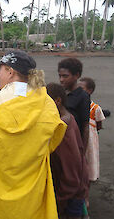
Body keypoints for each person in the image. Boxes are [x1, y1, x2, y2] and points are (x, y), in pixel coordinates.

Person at [0, 51, 67, 219]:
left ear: (10, 72)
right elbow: (54, 139)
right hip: (32, 187)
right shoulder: (47, 103)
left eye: (1, 70)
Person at [47, 83, 89, 219]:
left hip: (70, 195)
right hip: (72, 191)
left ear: (57, 101)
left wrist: (59, 200)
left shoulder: (63, 128)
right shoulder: (68, 118)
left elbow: (71, 173)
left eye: (45, 102)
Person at [58, 58, 90, 152]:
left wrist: (82, 152)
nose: (61, 80)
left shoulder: (83, 96)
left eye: (65, 76)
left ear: (77, 75)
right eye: (60, 76)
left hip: (74, 143)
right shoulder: (60, 93)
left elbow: (85, 126)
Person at [79, 77, 105, 181]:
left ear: (89, 90)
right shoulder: (76, 105)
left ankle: (92, 175)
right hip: (80, 133)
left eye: (81, 88)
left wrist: (94, 132)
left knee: (91, 155)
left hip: (91, 137)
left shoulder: (95, 108)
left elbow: (99, 123)